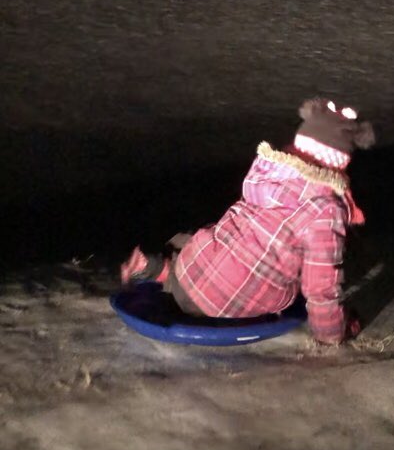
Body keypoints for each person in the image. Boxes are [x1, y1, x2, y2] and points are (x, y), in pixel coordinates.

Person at [121, 98, 375, 345]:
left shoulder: (268, 173)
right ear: (340, 164)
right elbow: (320, 286)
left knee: (218, 247)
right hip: (227, 305)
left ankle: (156, 268)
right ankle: (173, 277)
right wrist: (331, 334)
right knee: (257, 277)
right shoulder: (325, 209)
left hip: (192, 268)